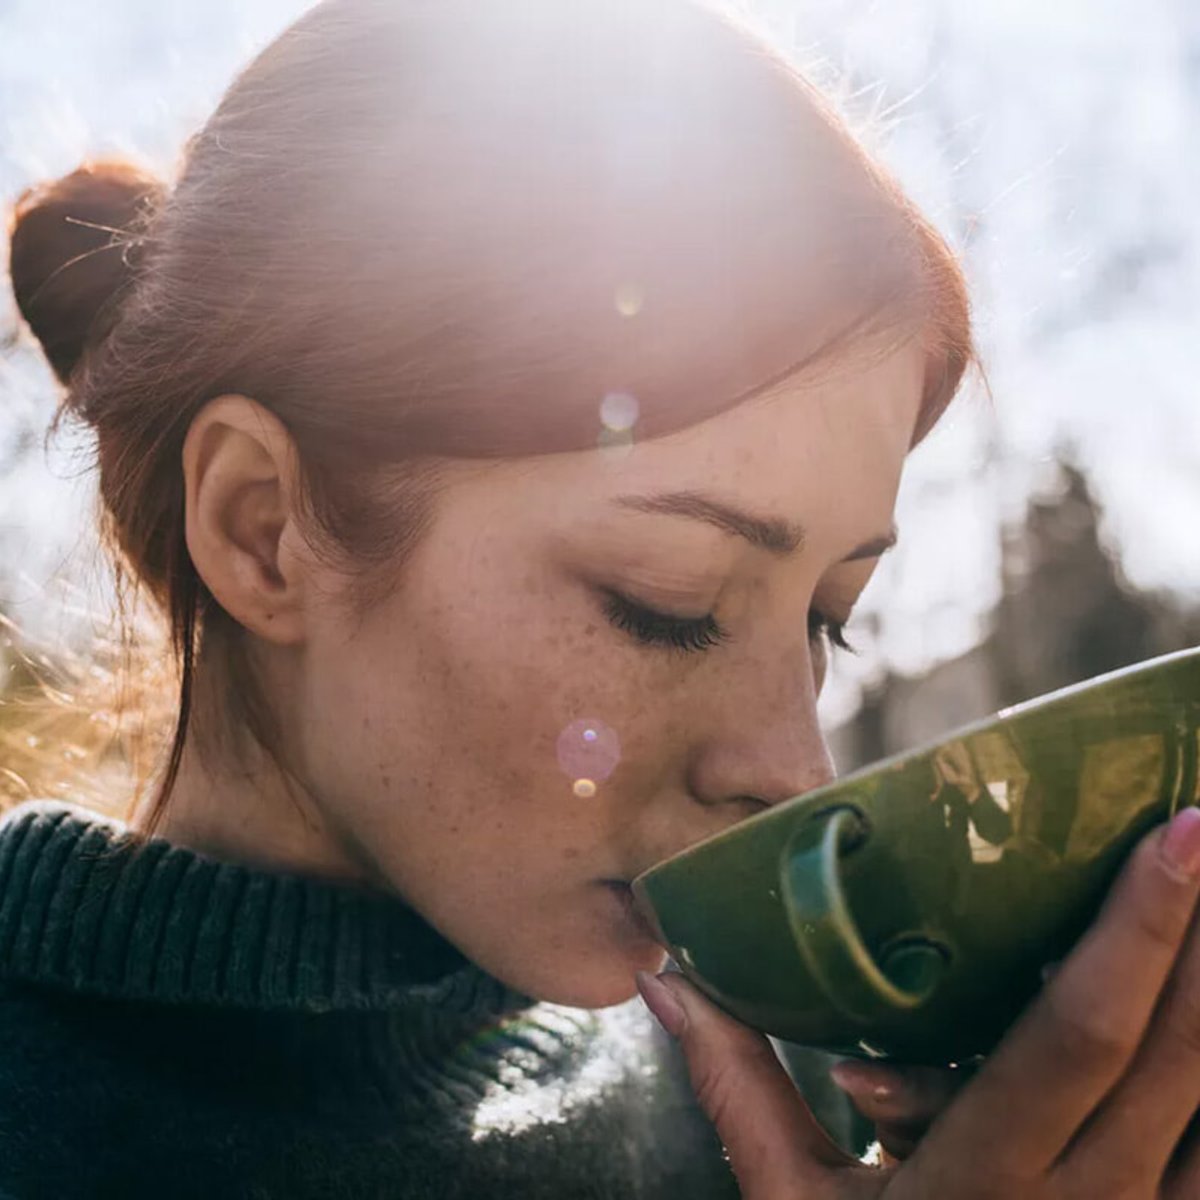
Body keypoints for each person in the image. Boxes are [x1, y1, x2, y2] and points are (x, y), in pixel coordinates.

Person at [4, 1, 1200, 1196]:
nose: (796, 768)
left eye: (824, 621)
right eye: (666, 602)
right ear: (261, 528)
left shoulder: (813, 1117)